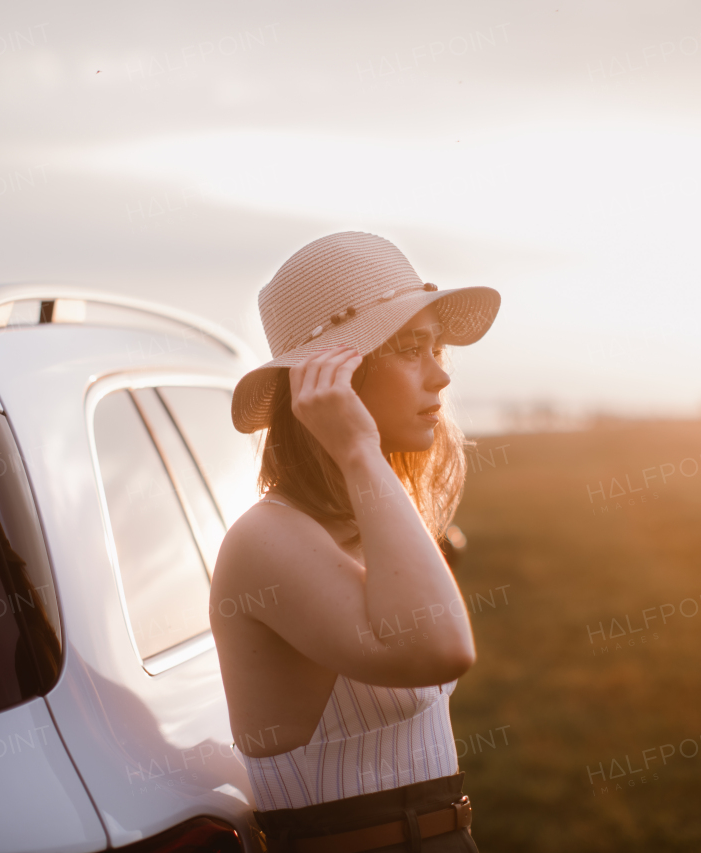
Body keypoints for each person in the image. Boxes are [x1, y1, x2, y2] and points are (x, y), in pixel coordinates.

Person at [213, 231, 501, 853]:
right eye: (410, 349)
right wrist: (356, 447)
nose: (440, 376)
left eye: (438, 348)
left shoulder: (372, 518)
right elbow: (443, 647)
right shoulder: (264, 540)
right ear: (330, 378)